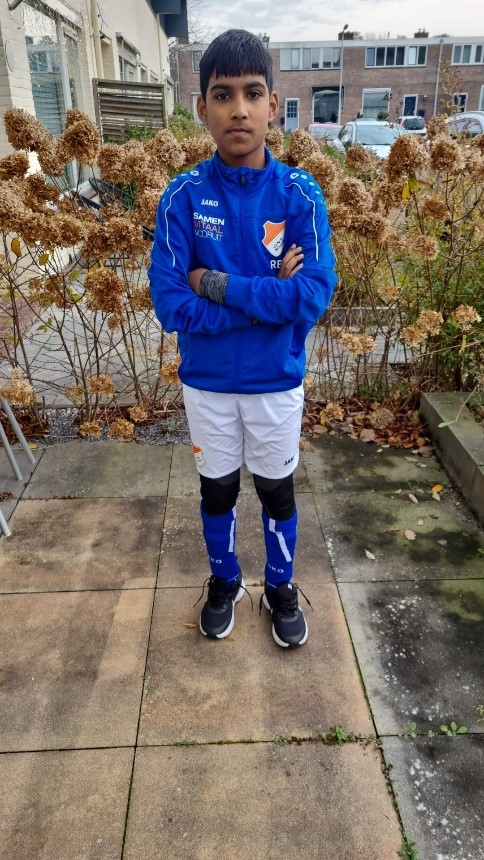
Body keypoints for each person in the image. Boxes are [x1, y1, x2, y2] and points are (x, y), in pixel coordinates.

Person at [149, 29, 337, 648]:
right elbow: (170, 304)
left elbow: (311, 296)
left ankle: (280, 586)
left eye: (253, 93)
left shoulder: (300, 193)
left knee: (277, 491)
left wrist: (217, 285)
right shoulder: (182, 196)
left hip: (275, 381)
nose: (238, 109)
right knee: (218, 490)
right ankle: (225, 580)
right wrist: (264, 302)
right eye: (223, 94)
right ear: (202, 106)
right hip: (206, 384)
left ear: (273, 105)